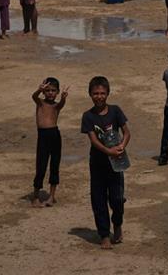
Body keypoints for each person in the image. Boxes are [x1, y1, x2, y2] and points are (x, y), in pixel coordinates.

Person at [81, 76, 130, 248]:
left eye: (102, 93)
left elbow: (126, 132)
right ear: (90, 94)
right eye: (95, 93)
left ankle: (117, 224)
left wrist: (122, 146)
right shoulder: (88, 116)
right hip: (97, 164)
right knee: (99, 200)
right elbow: (94, 141)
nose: (99, 96)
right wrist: (108, 151)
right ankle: (104, 235)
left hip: (116, 164)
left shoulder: (115, 111)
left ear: (108, 93)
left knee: (117, 199)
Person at [31, 77, 69, 207]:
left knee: (54, 165)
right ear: (43, 92)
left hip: (55, 135)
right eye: (47, 90)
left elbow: (62, 104)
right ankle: (35, 196)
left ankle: (51, 196)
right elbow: (34, 96)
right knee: (40, 166)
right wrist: (38, 90)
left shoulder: (56, 106)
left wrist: (64, 97)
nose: (50, 93)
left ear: (57, 92)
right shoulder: (40, 102)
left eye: (53, 90)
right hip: (43, 136)